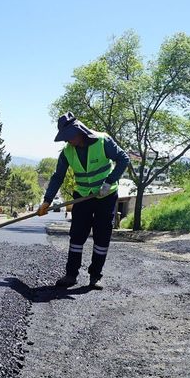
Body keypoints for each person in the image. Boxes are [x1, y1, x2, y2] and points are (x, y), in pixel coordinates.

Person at [37, 112, 130, 289]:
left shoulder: (103, 141)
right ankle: (71, 275)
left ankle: (95, 276)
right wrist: (47, 201)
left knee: (102, 235)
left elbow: (123, 159)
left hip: (106, 195)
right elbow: (58, 177)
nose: (68, 141)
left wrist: (109, 181)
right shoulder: (67, 152)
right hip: (82, 197)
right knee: (77, 235)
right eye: (65, 138)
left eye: (70, 136)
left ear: (80, 131)